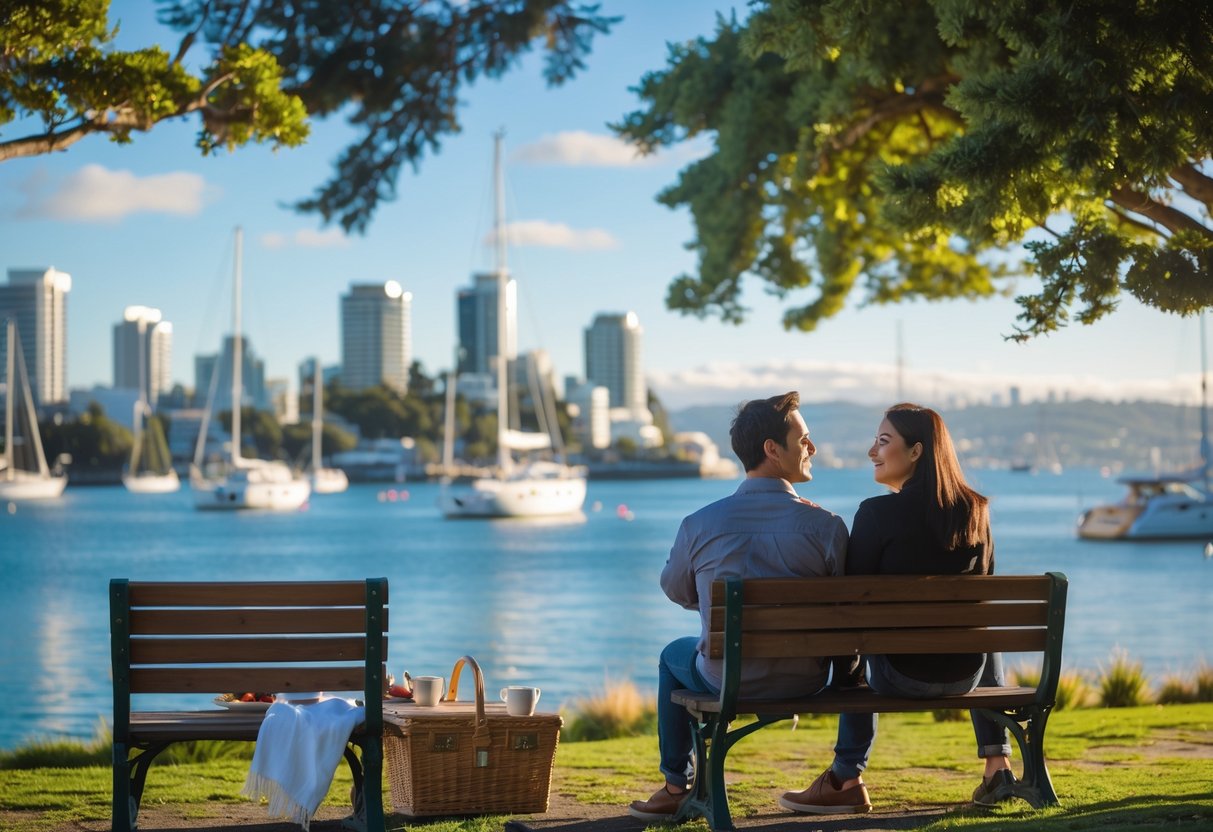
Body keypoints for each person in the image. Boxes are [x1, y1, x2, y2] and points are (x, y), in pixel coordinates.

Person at [779, 402, 1016, 816]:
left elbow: (851, 606)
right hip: (968, 676)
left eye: (883, 441)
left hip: (900, 678)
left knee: (858, 627)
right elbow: (984, 595)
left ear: (916, 452)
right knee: (980, 621)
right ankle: (998, 764)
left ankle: (846, 776)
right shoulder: (976, 511)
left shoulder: (876, 513)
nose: (873, 451)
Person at [627, 391, 849, 821]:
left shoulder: (700, 523)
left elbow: (675, 590)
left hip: (724, 677)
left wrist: (715, 610)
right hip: (807, 678)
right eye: (803, 439)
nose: (813, 448)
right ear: (772, 449)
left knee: (672, 656)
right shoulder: (827, 527)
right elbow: (841, 605)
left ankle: (677, 783)